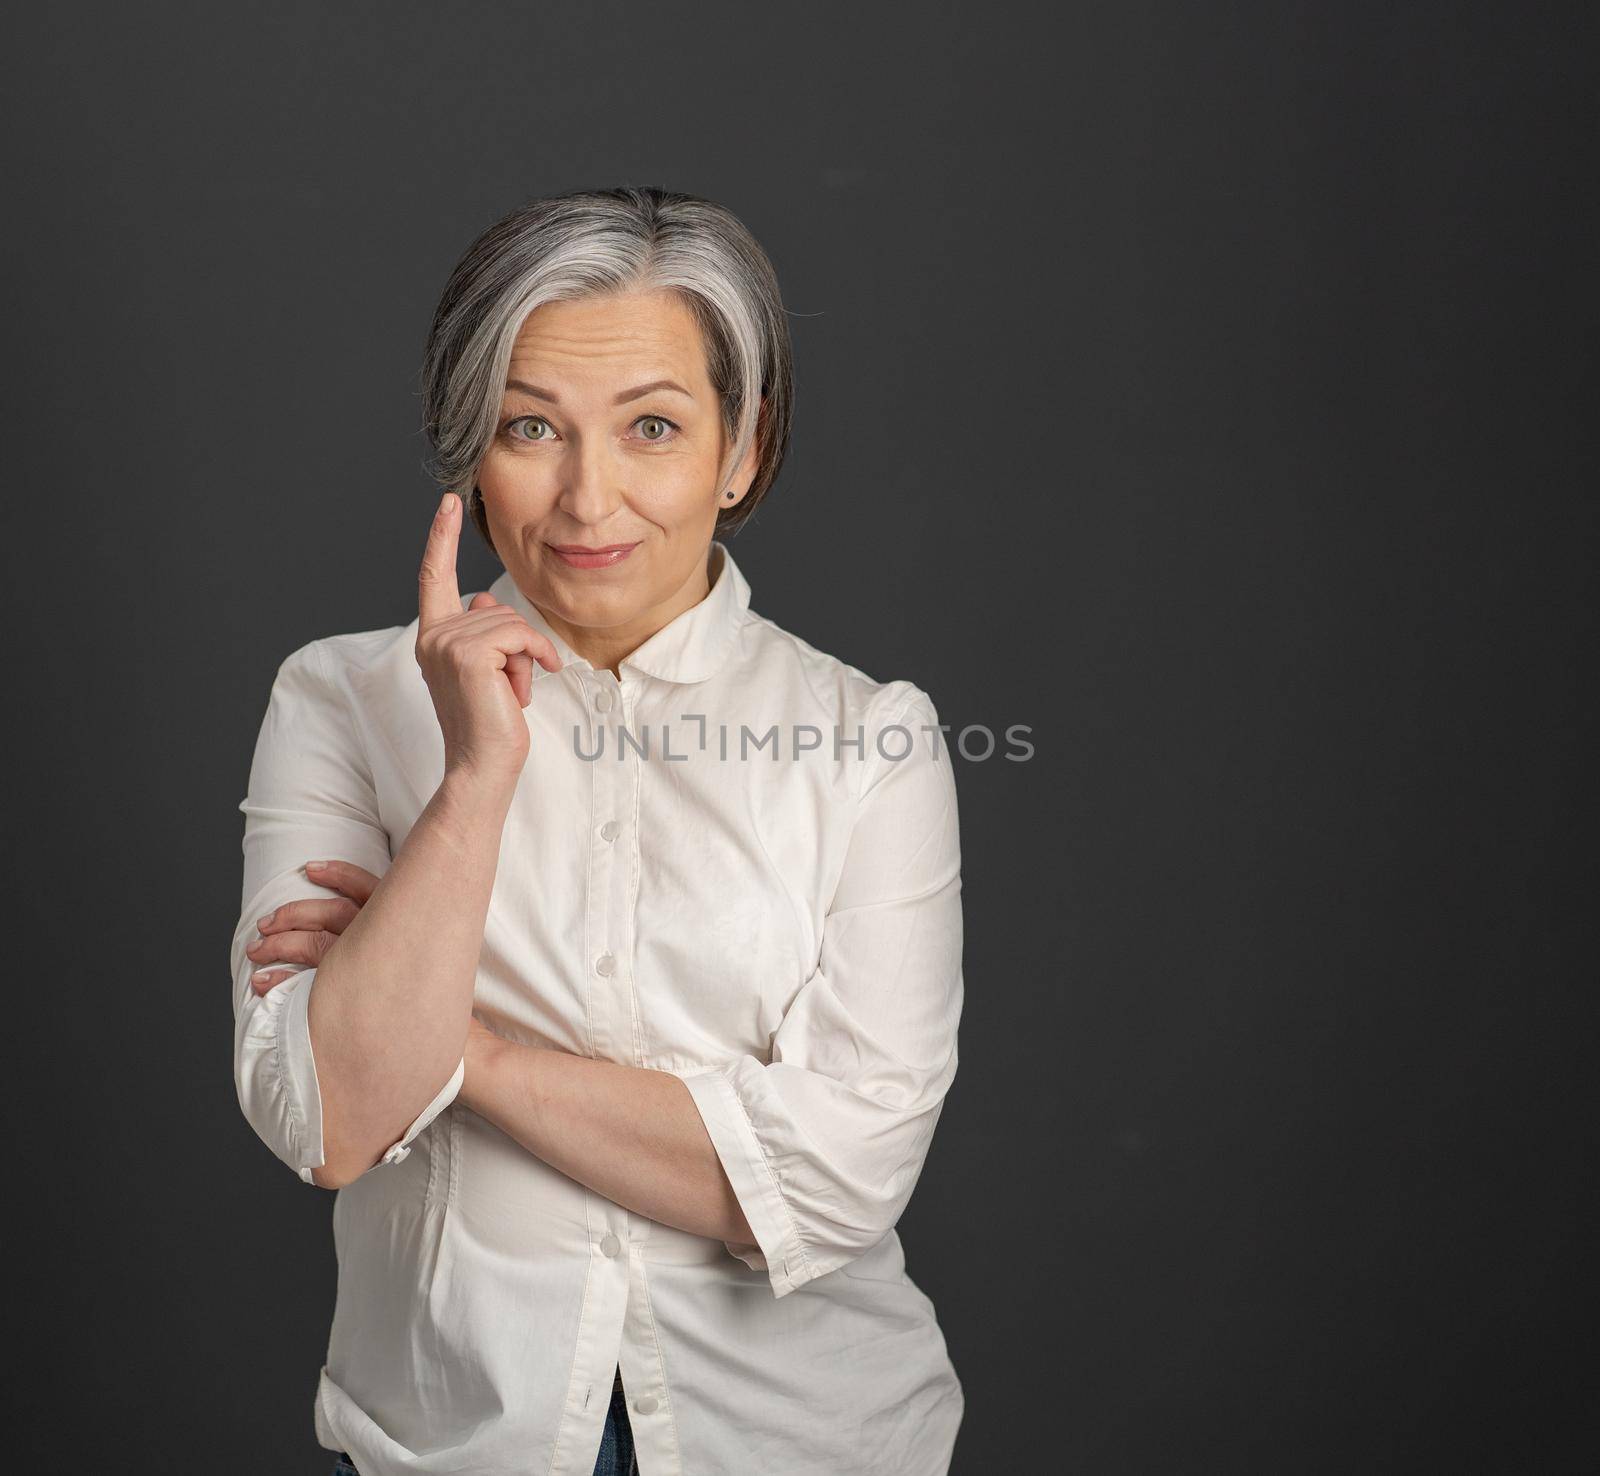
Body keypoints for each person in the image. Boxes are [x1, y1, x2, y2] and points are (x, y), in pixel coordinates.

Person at [232, 185, 965, 1476]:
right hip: (452, 1443)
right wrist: (471, 784)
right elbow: (326, 1119)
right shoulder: (340, 699)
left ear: (741, 451)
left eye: (654, 428)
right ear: (472, 444)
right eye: (532, 427)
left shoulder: (871, 740)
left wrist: (463, 1054)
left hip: (808, 1442)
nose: (588, 497)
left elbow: (839, 1178)